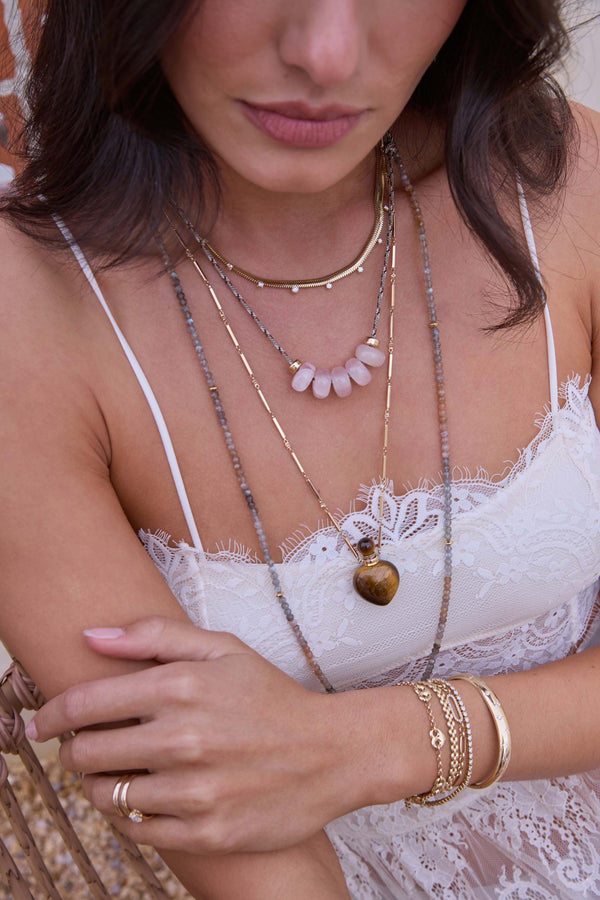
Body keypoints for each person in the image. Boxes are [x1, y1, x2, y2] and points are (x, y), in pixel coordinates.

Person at [1, 0, 599, 896]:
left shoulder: (567, 179)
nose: (325, 55)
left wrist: (370, 746)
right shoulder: (30, 310)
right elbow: (236, 843)